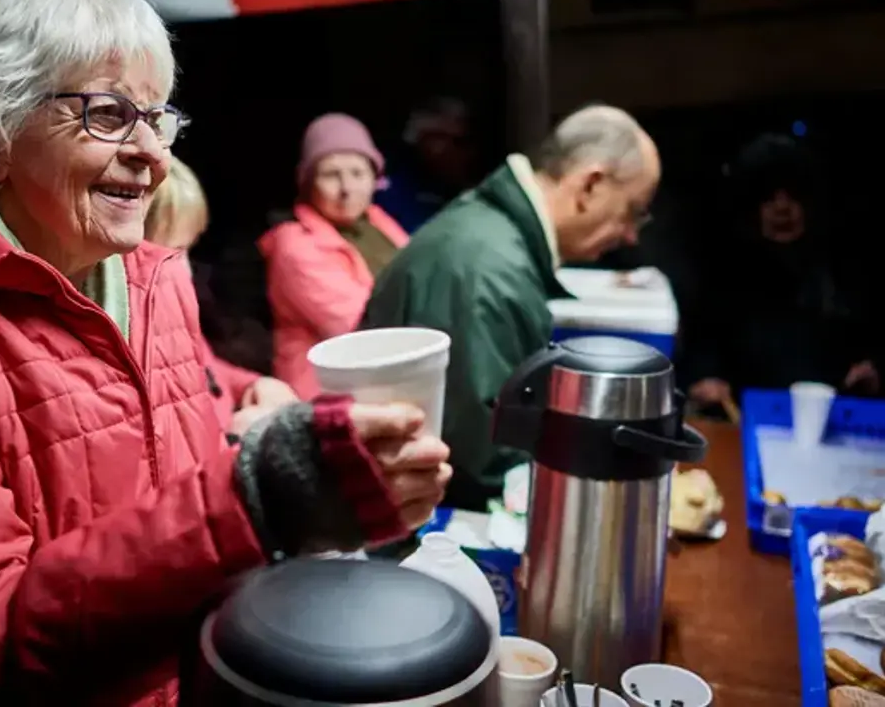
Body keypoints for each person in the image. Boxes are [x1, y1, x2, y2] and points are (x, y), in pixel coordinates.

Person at [0, 0, 452, 705]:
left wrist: (275, 447)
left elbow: (162, 480)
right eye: (108, 115)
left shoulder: (153, 276)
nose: (153, 154)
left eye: (157, 117)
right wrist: (259, 495)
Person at [364, 104, 660, 511]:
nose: (630, 236)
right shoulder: (486, 265)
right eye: (633, 212)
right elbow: (483, 457)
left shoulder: (494, 234)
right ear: (591, 184)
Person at [683, 134, 879, 410]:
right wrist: (705, 378)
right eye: (768, 198)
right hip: (745, 417)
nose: (782, 207)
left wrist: (872, 369)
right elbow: (702, 343)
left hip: (835, 419)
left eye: (793, 195)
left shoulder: (844, 267)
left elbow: (868, 339)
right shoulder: (725, 271)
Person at [259, 113, 409, 399]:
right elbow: (358, 327)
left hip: (380, 381)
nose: (347, 189)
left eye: (358, 173)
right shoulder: (294, 244)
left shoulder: (377, 222)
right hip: (327, 396)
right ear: (308, 183)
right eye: (331, 175)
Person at [145, 156, 298, 436]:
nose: (187, 269)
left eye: (189, 251)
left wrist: (252, 385)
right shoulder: (138, 333)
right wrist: (232, 434)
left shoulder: (169, 311)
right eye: (174, 254)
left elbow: (207, 369)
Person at [376, 96, 478, 233]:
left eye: (459, 141)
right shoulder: (388, 179)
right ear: (419, 136)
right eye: (441, 137)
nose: (450, 148)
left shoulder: (466, 190)